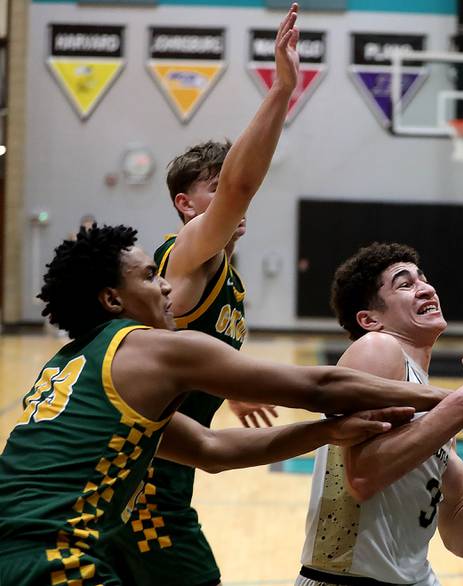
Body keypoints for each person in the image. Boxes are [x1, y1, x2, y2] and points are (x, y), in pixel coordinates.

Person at [0, 226, 463, 586]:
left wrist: (324, 433)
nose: (166, 286)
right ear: (112, 301)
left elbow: (212, 448)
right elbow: (321, 388)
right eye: (149, 275)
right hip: (55, 556)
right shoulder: (148, 346)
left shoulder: (80, 367)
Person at [108, 6, 299, 584]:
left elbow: (193, 350)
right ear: (185, 205)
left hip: (158, 471)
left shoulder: (224, 277)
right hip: (145, 491)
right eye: (211, 192)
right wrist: (281, 90)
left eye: (226, 191)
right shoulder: (188, 253)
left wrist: (228, 383)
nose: (230, 202)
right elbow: (242, 184)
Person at [296, 242, 463, 586]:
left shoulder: (437, 410)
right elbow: (363, 477)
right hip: (346, 578)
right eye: (404, 283)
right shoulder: (376, 348)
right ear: (370, 320)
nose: (425, 287)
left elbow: (461, 537)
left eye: (423, 278)